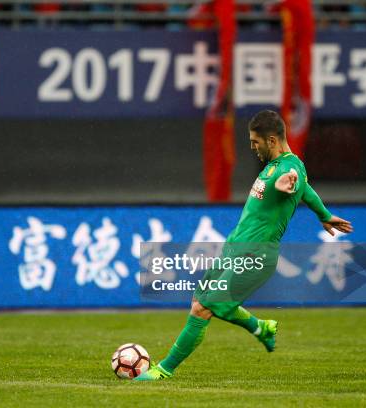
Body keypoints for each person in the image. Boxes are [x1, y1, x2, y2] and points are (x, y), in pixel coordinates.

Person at [135, 110, 353, 381]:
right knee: (197, 302)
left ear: (272, 140)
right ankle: (261, 328)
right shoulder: (279, 164)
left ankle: (163, 371)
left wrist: (286, 185)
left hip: (256, 254)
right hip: (235, 246)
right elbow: (306, 189)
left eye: (255, 142)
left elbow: (291, 181)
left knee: (205, 308)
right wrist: (324, 215)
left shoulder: (288, 169)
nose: (252, 147)